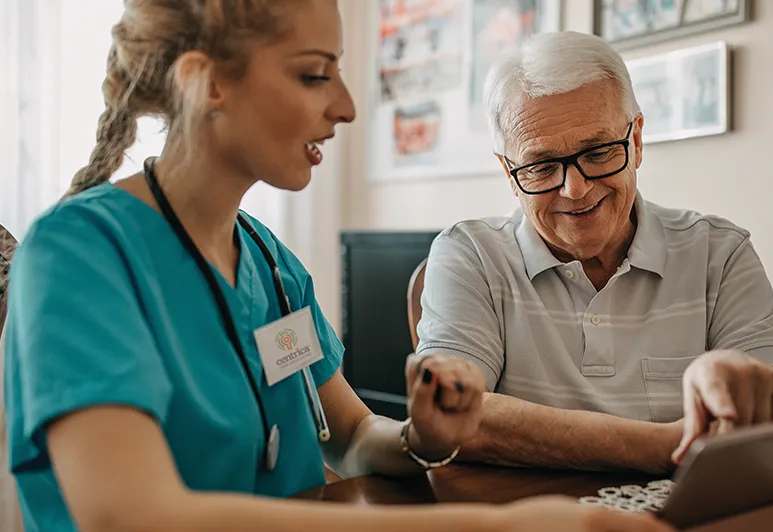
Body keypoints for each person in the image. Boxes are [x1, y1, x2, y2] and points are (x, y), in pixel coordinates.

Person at [1, 2, 671, 531]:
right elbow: (133, 517)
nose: (347, 106)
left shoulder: (268, 263)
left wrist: (423, 439)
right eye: (315, 73)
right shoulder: (78, 255)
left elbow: (348, 437)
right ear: (205, 82)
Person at [415, 30, 773, 475]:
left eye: (599, 152)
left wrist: (750, 388)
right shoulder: (469, 254)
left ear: (637, 142)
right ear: (509, 173)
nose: (575, 189)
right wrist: (667, 446)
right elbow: (454, 417)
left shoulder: (719, 252)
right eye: (542, 166)